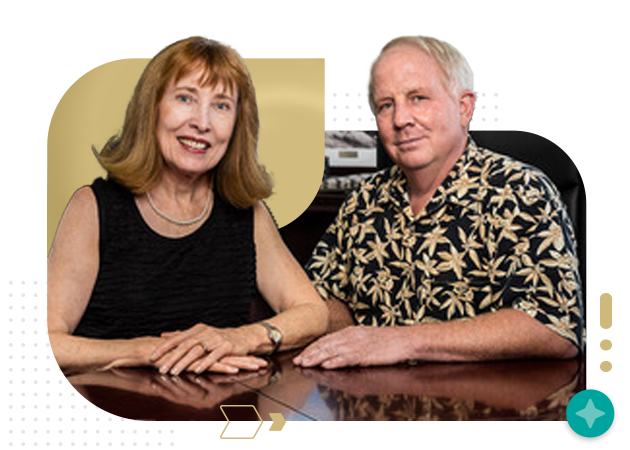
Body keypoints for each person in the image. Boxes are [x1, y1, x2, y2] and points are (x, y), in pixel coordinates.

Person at [294, 36, 583, 369]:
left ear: (464, 107)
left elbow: (554, 327)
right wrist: (342, 334)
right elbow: (322, 298)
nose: (400, 119)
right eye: (385, 105)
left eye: (418, 98)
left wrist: (400, 341)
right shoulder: (363, 199)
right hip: (373, 408)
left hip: (483, 411)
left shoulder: (521, 191)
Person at [48, 37, 327, 376]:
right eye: (185, 98)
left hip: (218, 413)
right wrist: (150, 350)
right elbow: (47, 341)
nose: (202, 122)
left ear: (237, 125)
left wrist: (245, 337)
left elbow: (313, 313)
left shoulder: (248, 214)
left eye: (222, 106)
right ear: (152, 108)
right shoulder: (92, 207)